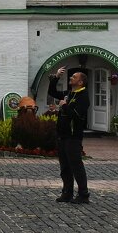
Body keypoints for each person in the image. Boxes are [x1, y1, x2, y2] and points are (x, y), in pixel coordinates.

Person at [48, 66, 90, 203]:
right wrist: (56, 77)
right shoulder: (69, 93)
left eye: (74, 77)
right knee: (64, 167)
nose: (71, 77)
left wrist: (64, 106)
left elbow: (77, 116)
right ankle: (67, 192)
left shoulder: (84, 97)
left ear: (81, 82)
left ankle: (83, 194)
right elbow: (52, 92)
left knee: (76, 166)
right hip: (62, 135)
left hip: (73, 137)